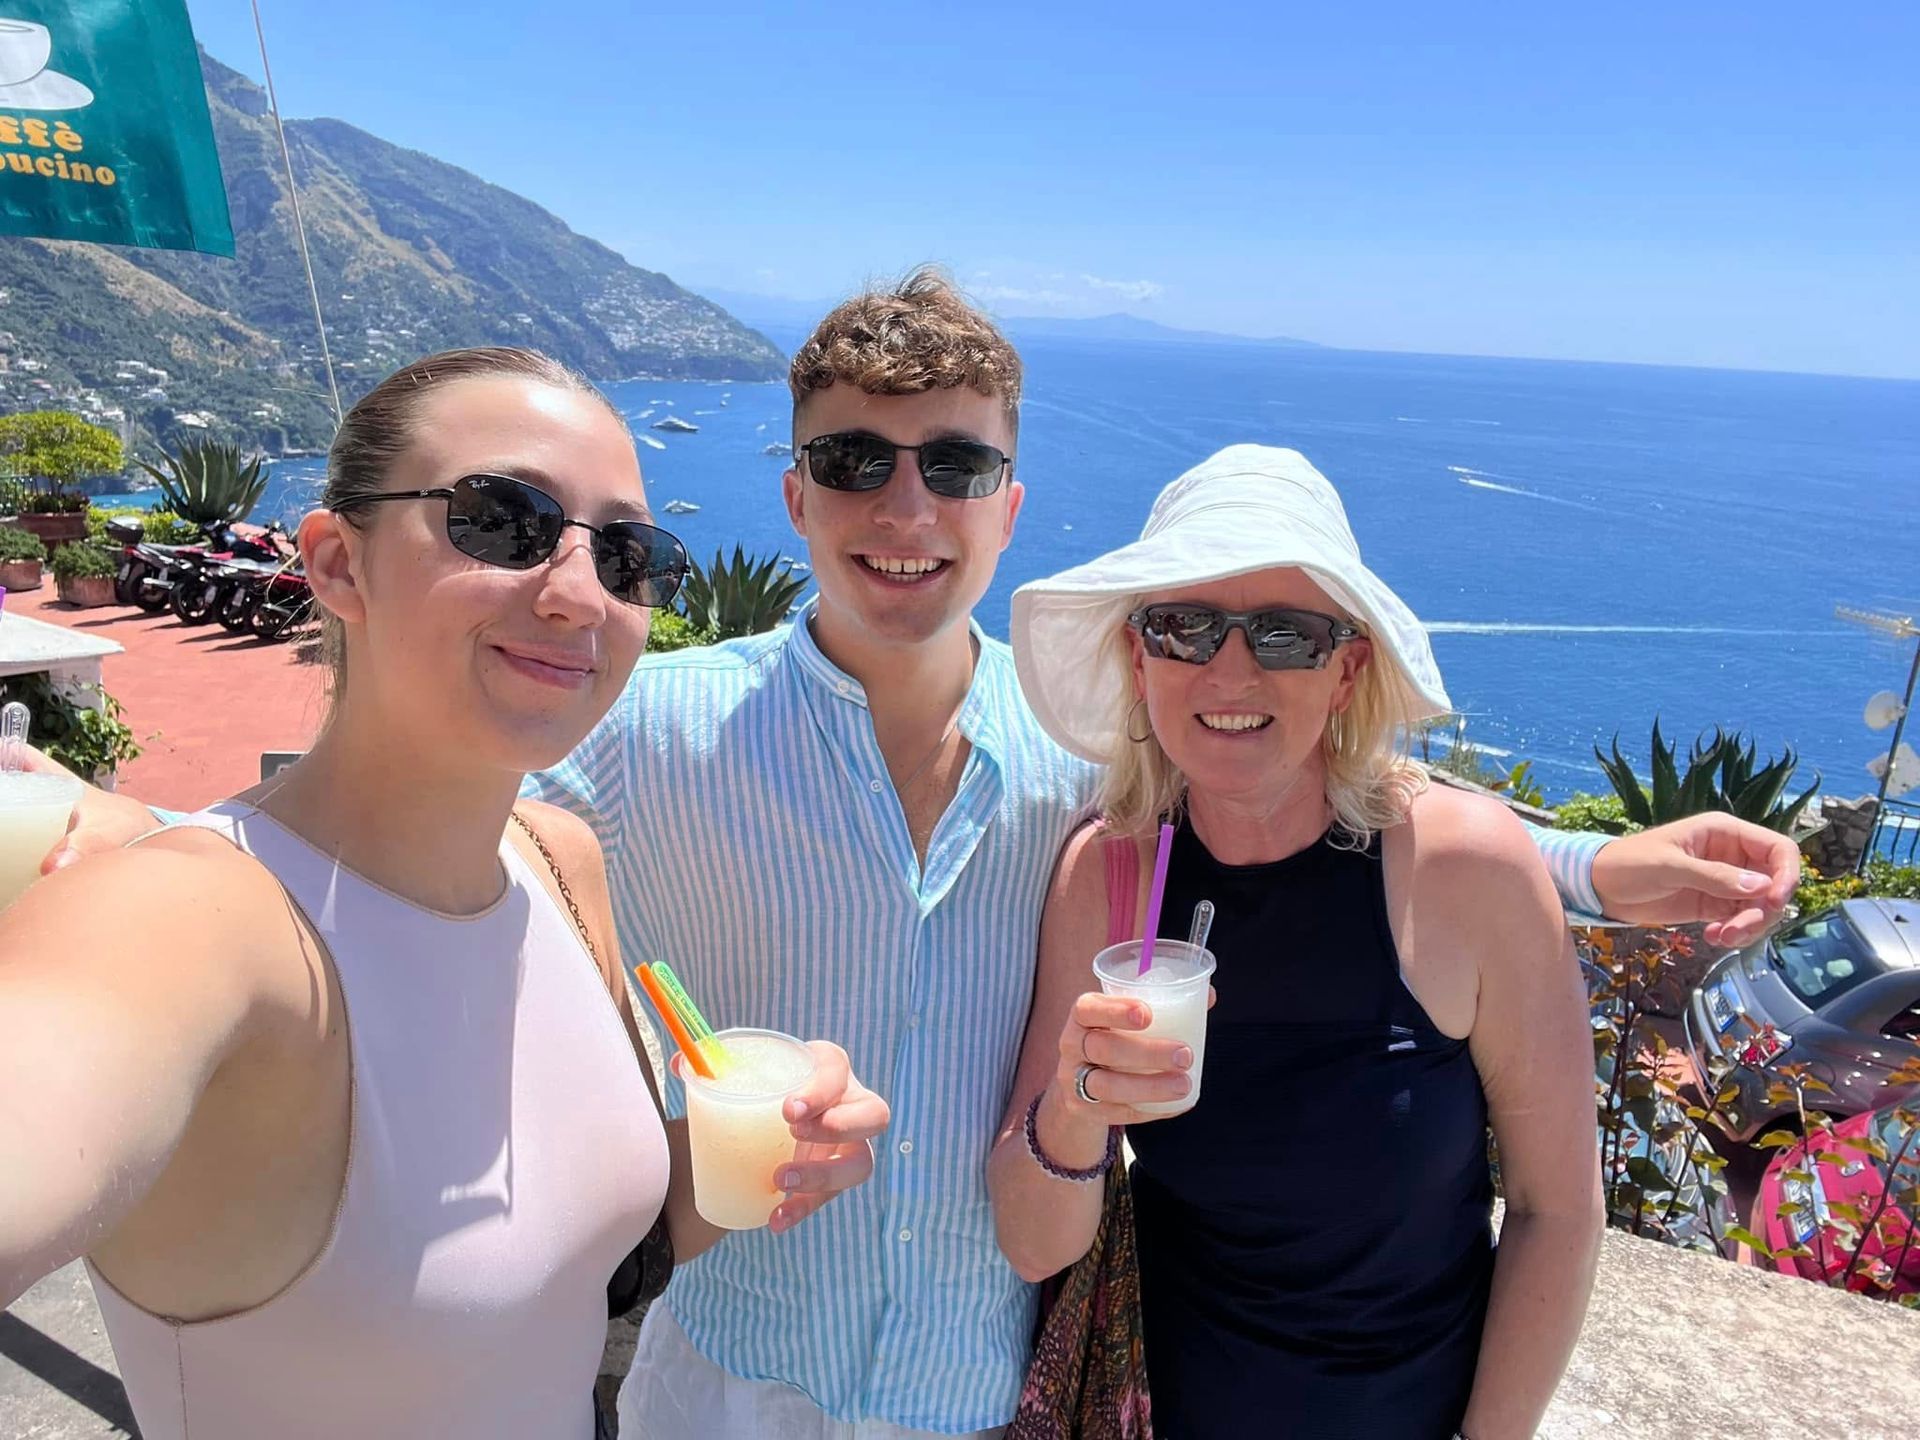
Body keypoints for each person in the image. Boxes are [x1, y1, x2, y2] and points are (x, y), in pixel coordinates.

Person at [30, 273, 1804, 1439]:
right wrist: (87, 831)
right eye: (853, 462)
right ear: (793, 498)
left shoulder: (1095, 776)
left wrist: (1586, 874)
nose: (905, 505)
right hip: (724, 1380)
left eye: (954, 465)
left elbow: (1311, 824)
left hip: (973, 1392)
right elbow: (380, 827)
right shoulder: (636, 725)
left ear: (1011, 510)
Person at [0, 347, 887, 1440]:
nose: (576, 595)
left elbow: (591, 1261)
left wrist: (768, 1154)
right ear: (335, 562)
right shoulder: (183, 926)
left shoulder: (560, 863)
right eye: (502, 520)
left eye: (625, 554)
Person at [992, 444, 1602, 1439]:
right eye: (1184, 626)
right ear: (1138, 655)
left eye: (1285, 634)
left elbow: (1557, 1210)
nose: (1229, 670)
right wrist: (1076, 1102)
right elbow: (1031, 1243)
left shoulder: (1463, 874)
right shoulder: (1113, 878)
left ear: (1347, 664)